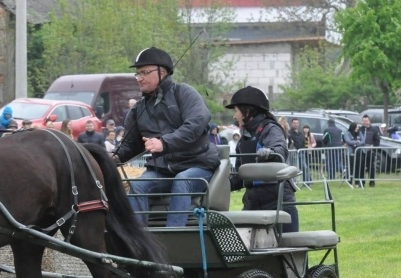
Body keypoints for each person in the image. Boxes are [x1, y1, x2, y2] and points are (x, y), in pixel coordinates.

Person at [113, 47, 219, 227]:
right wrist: (112, 158)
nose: (139, 78)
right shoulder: (138, 109)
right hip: (162, 170)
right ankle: (138, 238)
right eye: (137, 73)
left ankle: (174, 235)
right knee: (137, 185)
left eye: (145, 72)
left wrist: (164, 143)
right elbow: (130, 146)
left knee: (182, 181)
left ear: (161, 73)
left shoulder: (184, 93)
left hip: (197, 164)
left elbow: (196, 123)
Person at [226, 86, 299, 233]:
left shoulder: (270, 129)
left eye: (236, 111)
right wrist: (215, 184)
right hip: (253, 203)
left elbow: (281, 150)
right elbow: (240, 177)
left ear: (248, 111)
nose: (234, 117)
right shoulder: (244, 139)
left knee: (286, 246)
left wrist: (271, 152)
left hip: (278, 202)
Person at [357, 114, 381, 187]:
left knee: (371, 167)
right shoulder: (359, 129)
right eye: (364, 121)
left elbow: (377, 140)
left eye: (366, 121)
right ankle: (361, 182)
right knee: (361, 167)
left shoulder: (374, 130)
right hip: (361, 151)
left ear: (369, 121)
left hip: (370, 151)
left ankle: (372, 182)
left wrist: (374, 148)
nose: (365, 122)